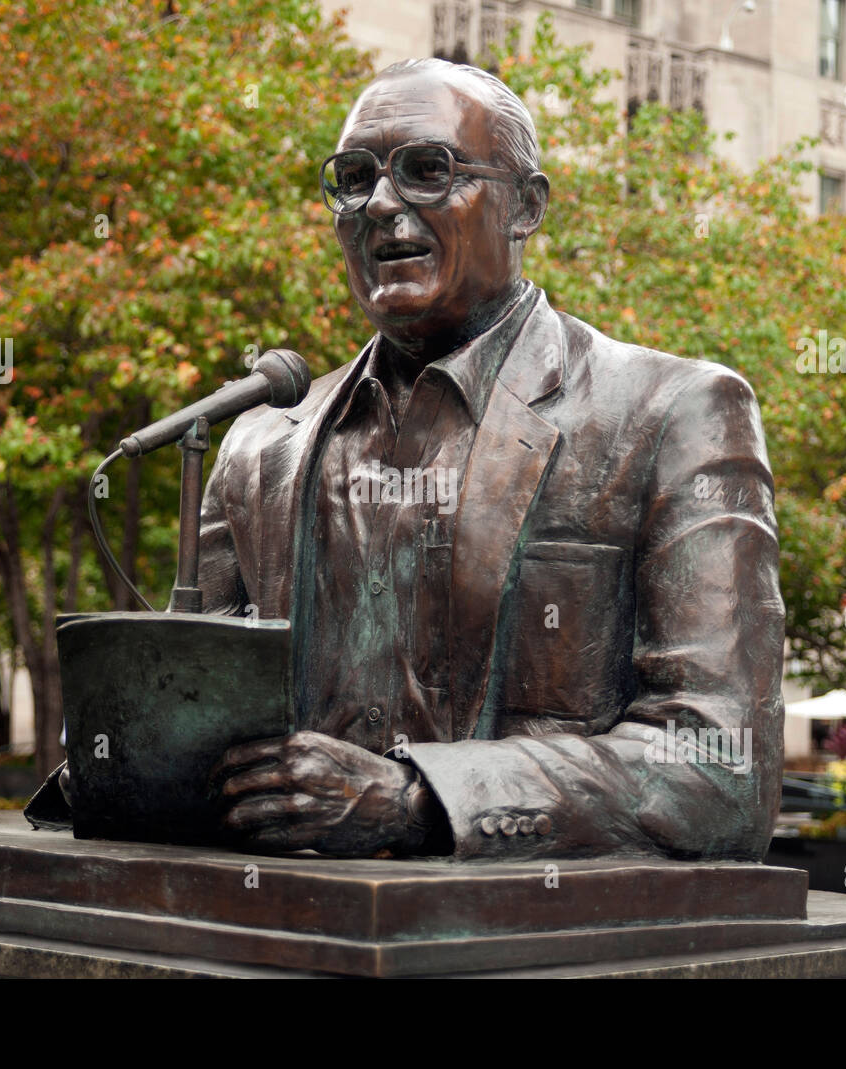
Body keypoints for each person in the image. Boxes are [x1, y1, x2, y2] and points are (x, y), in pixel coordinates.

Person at [202, 57, 785, 861]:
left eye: (428, 171)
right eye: (354, 177)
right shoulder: (261, 444)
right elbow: (193, 723)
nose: (380, 205)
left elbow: (723, 768)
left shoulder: (671, 414)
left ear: (526, 206)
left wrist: (419, 803)